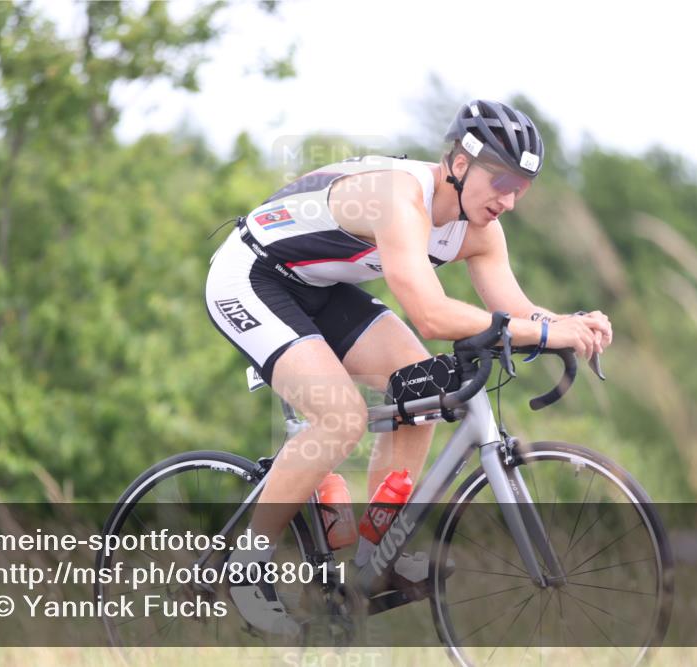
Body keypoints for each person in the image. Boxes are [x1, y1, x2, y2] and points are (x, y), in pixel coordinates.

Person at [204, 99, 613, 636]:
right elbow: (429, 314)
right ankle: (246, 568)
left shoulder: (481, 230)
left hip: (322, 288)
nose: (509, 201)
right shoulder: (401, 201)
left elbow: (517, 311)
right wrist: (542, 332)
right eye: (502, 181)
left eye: (522, 188)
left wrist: (569, 322)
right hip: (252, 275)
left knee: (419, 396)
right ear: (460, 165)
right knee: (341, 417)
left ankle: (374, 560)